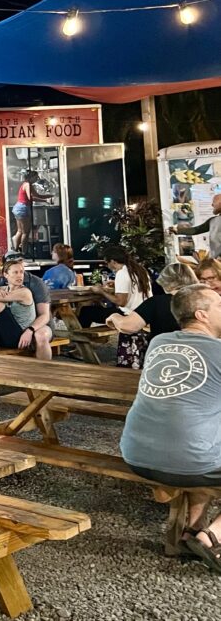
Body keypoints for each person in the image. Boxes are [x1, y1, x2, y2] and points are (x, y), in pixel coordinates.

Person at [120, 284, 221, 571]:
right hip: (185, 462)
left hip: (135, 455)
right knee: (199, 450)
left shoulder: (159, 342)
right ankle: (211, 536)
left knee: (201, 440)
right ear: (202, 315)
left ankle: (189, 529)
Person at [107, 262, 198, 368]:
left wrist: (114, 316)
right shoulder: (202, 299)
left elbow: (127, 326)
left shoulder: (156, 302)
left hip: (163, 359)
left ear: (165, 281)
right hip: (197, 355)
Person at [11, 170, 52, 252]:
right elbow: (31, 198)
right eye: (36, 177)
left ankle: (15, 250)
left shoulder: (26, 184)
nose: (37, 179)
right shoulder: (28, 185)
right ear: (31, 177)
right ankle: (24, 252)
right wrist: (46, 200)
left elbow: (37, 195)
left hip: (18, 207)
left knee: (20, 231)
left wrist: (49, 196)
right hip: (23, 208)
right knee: (25, 232)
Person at [173, 193, 221, 259]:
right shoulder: (213, 221)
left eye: (214, 202)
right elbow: (196, 230)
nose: (212, 205)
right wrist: (176, 230)